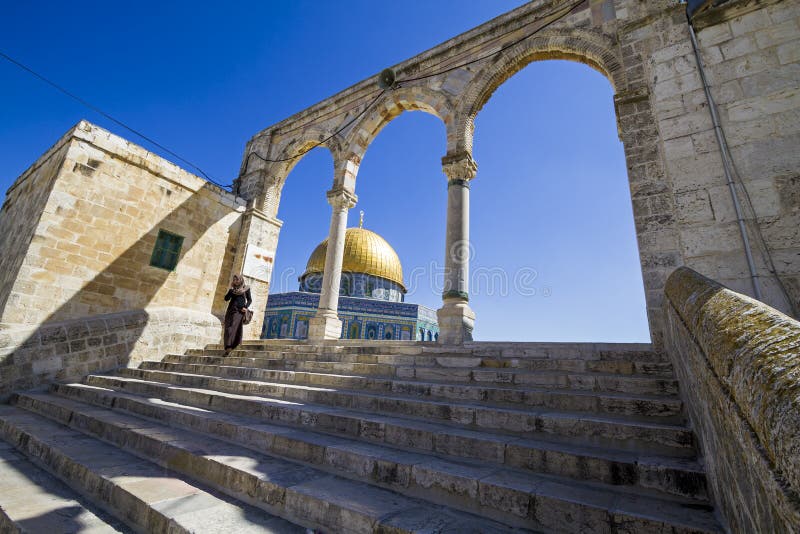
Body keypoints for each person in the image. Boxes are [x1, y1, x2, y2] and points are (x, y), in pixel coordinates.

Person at [223, 274, 252, 355]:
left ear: (241, 280)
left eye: (237, 280)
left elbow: (249, 300)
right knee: (228, 328)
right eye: (234, 280)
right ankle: (228, 346)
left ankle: (229, 347)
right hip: (230, 311)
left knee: (232, 328)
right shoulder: (233, 290)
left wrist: (245, 307)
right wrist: (230, 290)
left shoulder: (246, 288)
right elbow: (226, 299)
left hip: (239, 312)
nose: (235, 281)